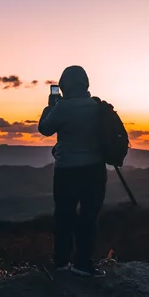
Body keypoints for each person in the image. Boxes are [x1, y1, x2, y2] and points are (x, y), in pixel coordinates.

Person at [37, 65, 107, 278]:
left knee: (64, 215)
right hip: (95, 168)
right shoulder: (96, 106)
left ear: (64, 85)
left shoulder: (62, 107)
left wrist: (49, 107)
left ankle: (61, 261)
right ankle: (84, 263)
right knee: (89, 216)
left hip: (66, 170)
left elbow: (45, 129)